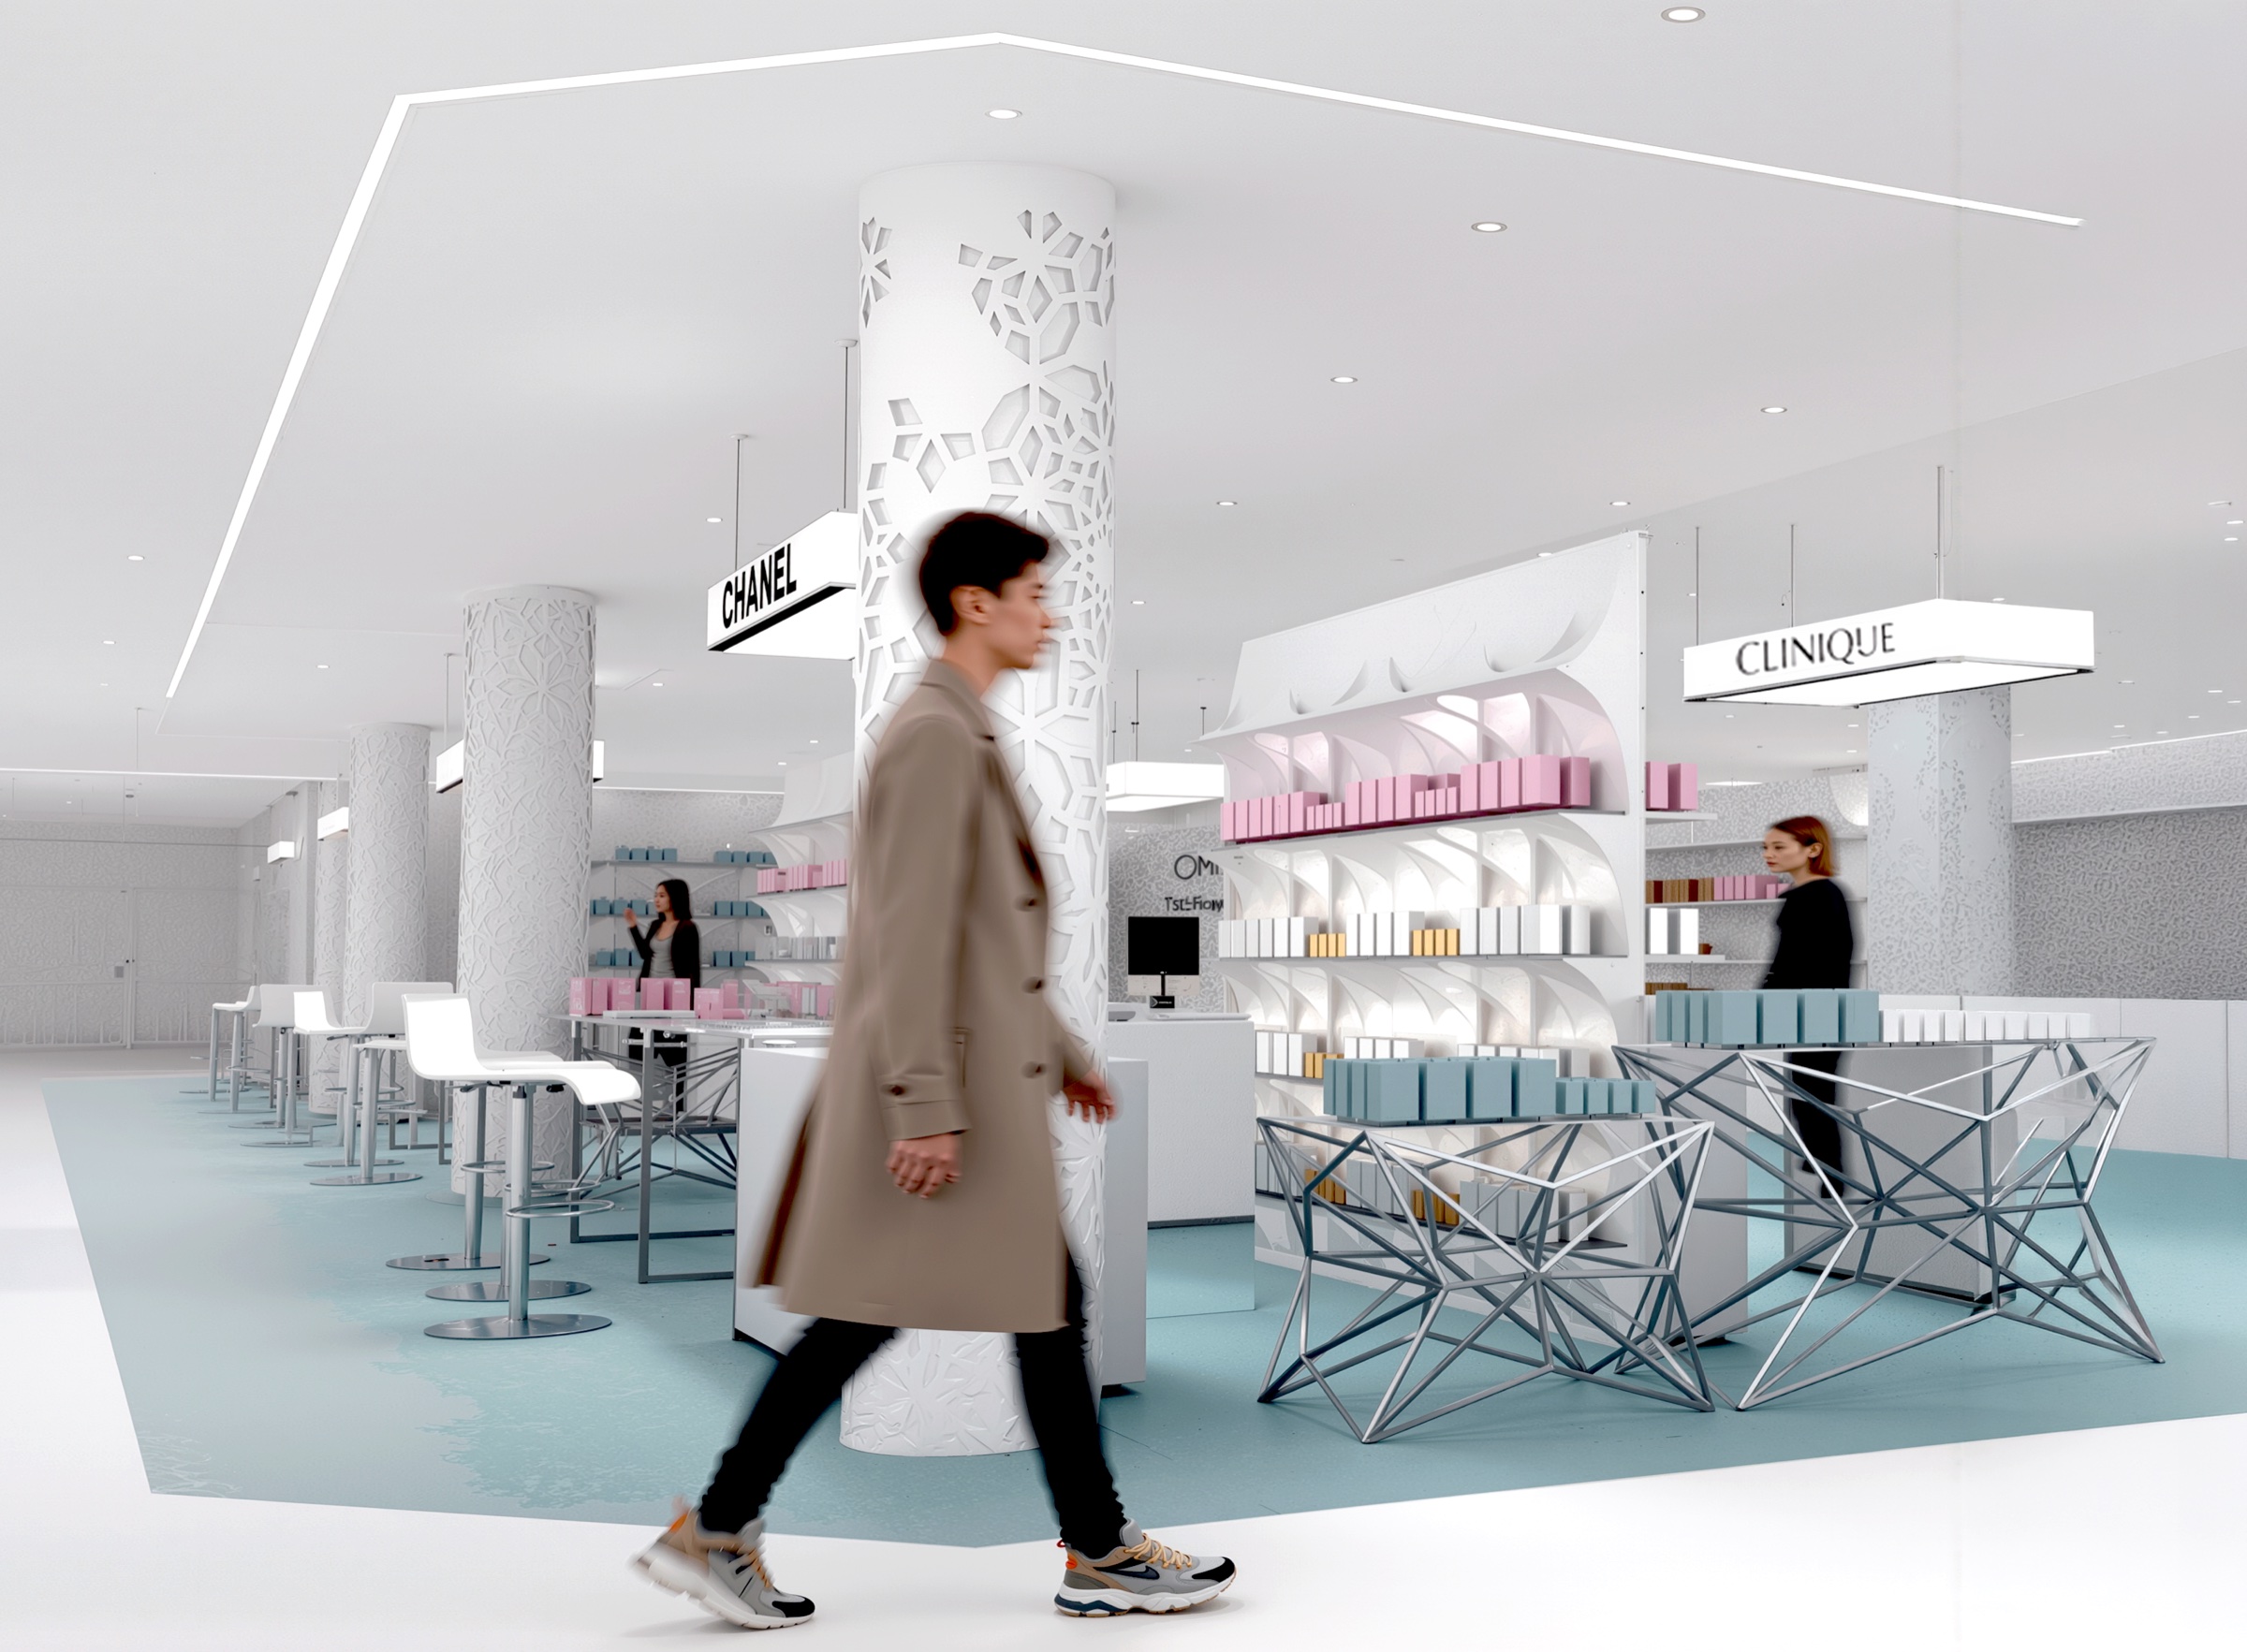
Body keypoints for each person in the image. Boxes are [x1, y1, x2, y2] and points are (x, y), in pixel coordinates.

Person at [630, 511, 1236, 1627]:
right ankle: (1087, 1547)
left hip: (965, 1087)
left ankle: (1081, 1543)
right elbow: (909, 935)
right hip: (941, 1099)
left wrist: (1062, 1056)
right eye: (1033, 593)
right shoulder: (933, 737)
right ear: (974, 602)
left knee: (996, 1307)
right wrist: (924, 1106)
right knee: (937, 1312)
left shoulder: (956, 732)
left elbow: (982, 938)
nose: (1046, 615)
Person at [1761, 814, 1855, 1186]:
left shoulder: (1819, 895)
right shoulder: (1810, 895)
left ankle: (1832, 1178)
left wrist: (1768, 999)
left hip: (1817, 1014)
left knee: (1811, 1096)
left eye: (1779, 847)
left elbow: (1798, 961)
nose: (1769, 854)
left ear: (1813, 849)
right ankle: (1827, 1174)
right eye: (1766, 847)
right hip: (1814, 1012)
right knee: (1807, 1094)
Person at [624, 878, 699, 1082]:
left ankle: (677, 1104)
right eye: (656, 895)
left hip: (676, 1000)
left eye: (662, 895)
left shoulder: (687, 928)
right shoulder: (656, 925)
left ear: (676, 897)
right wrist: (633, 926)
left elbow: (693, 968)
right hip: (650, 995)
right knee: (637, 1048)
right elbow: (645, 954)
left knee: (674, 1054)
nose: (656, 899)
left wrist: (694, 1004)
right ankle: (641, 1098)